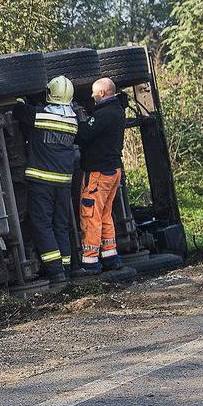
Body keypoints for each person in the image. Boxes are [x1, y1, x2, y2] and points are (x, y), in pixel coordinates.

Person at [16, 76, 80, 286]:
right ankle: (66, 267)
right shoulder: (73, 121)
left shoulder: (41, 117)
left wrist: (20, 98)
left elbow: (19, 112)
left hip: (42, 180)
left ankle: (55, 271)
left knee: (42, 224)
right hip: (63, 183)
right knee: (60, 225)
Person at [76, 77, 127, 274]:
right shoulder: (118, 111)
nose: (91, 96)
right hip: (113, 170)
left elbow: (84, 134)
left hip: (98, 173)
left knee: (90, 215)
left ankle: (90, 262)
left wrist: (77, 120)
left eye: (94, 92)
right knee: (105, 215)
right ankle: (110, 256)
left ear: (103, 94)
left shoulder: (104, 114)